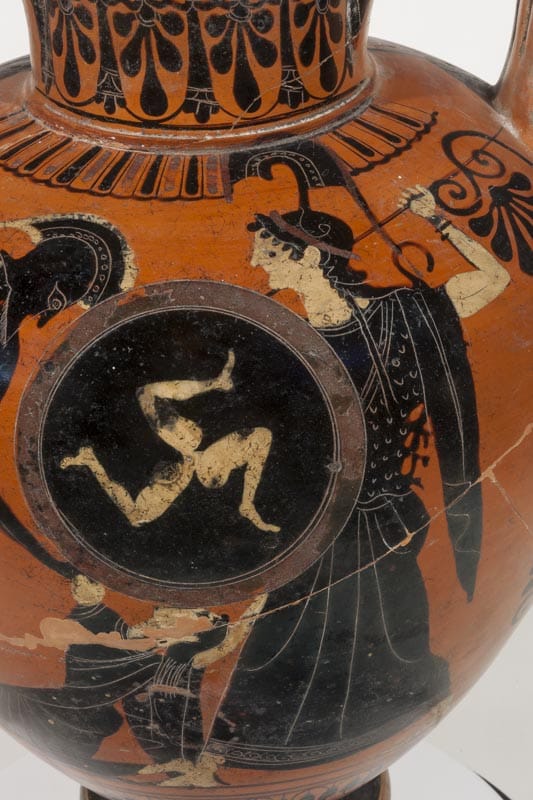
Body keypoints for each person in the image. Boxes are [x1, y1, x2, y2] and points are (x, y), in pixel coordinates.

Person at [207, 186, 510, 767]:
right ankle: (267, 749)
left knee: (389, 629)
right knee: (287, 631)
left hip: (381, 511)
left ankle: (358, 739)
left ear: (309, 255)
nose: (257, 262)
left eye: (269, 250)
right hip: (311, 517)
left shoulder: (401, 316)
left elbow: (493, 281)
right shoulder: (283, 338)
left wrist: (439, 221)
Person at [61, 349, 280, 533]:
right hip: (195, 454)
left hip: (196, 458)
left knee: (137, 516)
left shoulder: (185, 468)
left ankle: (246, 503)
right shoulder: (185, 462)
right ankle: (217, 383)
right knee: (147, 394)